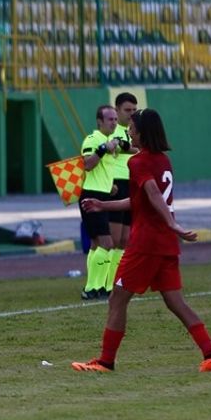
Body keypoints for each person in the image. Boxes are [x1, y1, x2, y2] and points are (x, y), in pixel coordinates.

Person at [72, 109, 211, 374]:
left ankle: (106, 361)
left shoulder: (138, 162)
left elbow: (153, 194)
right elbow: (140, 199)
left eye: (131, 126)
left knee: (117, 299)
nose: (128, 130)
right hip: (164, 243)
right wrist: (103, 205)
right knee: (175, 302)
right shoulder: (162, 160)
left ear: (141, 131)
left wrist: (173, 223)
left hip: (146, 243)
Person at [78, 105, 122, 299]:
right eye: (110, 119)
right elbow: (87, 164)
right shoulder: (93, 139)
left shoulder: (108, 141)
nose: (114, 122)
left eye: (115, 119)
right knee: (107, 243)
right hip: (91, 196)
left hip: (103, 195)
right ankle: (92, 288)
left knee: (97, 244)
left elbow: (100, 171)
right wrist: (104, 149)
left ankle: (96, 288)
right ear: (100, 122)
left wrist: (109, 186)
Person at [107, 92, 140, 285]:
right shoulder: (113, 131)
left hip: (133, 184)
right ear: (117, 110)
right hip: (117, 185)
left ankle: (118, 278)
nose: (131, 113)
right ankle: (106, 280)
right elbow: (126, 148)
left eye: (134, 110)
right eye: (127, 110)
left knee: (126, 238)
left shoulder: (135, 132)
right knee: (114, 238)